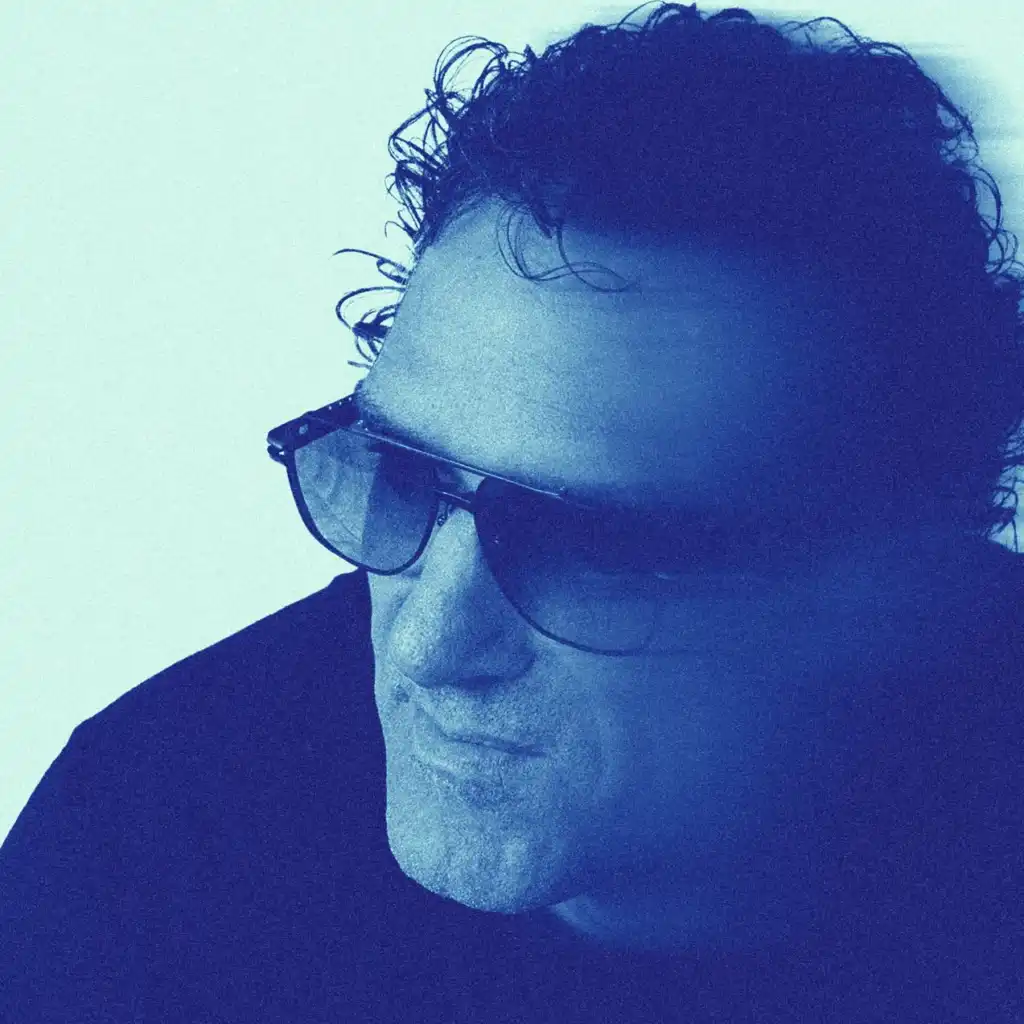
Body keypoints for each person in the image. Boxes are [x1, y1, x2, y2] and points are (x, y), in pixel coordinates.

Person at [3, 3, 1023, 1021]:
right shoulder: (150, 843)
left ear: (898, 589)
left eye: (596, 545)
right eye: (405, 474)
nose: (427, 645)